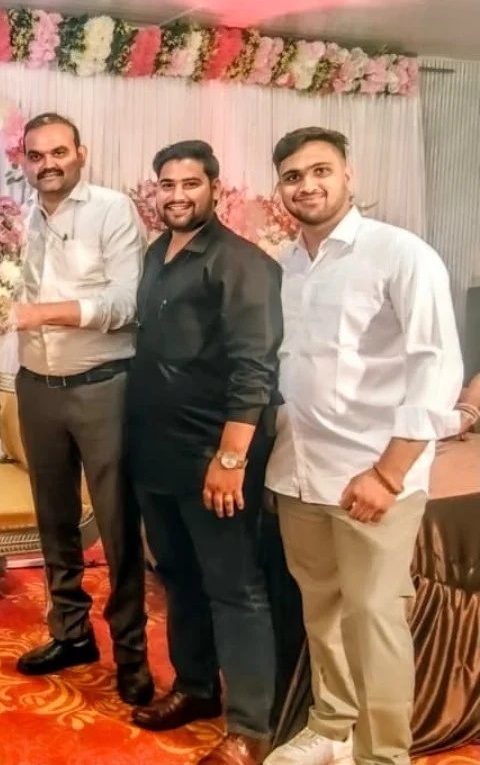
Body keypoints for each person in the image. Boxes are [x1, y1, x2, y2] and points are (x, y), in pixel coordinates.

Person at [262, 127, 463, 765]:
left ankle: (384, 756)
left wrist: (389, 473)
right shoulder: (285, 265)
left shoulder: (400, 253)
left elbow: (436, 366)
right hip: (298, 469)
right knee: (321, 610)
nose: (307, 185)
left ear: (349, 175)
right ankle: (331, 728)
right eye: (293, 176)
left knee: (375, 618)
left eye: (320, 170)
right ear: (280, 188)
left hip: (373, 475)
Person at [124, 141, 282, 765]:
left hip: (214, 457)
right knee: (178, 577)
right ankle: (195, 687)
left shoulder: (242, 263)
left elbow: (254, 370)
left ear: (215, 188)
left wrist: (231, 459)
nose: (177, 195)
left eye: (191, 183)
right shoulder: (156, 254)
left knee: (234, 587)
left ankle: (250, 728)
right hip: (156, 453)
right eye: (167, 184)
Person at [9, 112, 153, 705]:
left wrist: (41, 314)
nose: (48, 164)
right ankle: (70, 633)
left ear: (81, 153)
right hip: (36, 385)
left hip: (104, 385)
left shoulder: (112, 210)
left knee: (118, 526)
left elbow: (126, 303)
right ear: (23, 161)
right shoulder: (15, 217)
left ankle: (132, 654)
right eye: (36, 155)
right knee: (54, 521)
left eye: (58, 152)